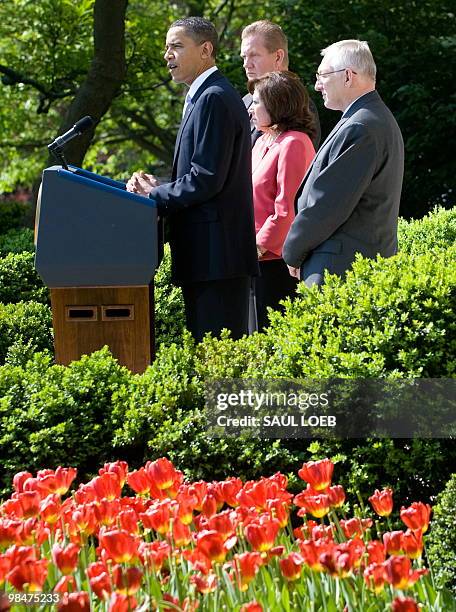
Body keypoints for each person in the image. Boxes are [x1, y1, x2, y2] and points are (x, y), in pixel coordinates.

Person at [127, 17, 258, 342]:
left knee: (220, 370)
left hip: (217, 259)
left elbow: (206, 179)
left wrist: (153, 198)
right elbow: (201, 175)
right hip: (208, 258)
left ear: (206, 50)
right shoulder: (205, 97)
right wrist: (159, 187)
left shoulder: (214, 97)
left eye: (176, 46)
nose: (167, 55)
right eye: (167, 47)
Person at [282, 39, 404, 287]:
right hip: (347, 265)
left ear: (348, 76)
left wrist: (293, 251)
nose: (317, 85)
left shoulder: (361, 126)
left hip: (341, 270)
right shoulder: (367, 118)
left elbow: (327, 204)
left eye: (322, 75)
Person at [249, 71, 316, 329]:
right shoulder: (263, 140)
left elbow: (288, 208)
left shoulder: (294, 142)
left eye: (256, 102)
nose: (251, 108)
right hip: (255, 259)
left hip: (276, 262)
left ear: (277, 103)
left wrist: (258, 246)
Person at [240, 20, 321, 150]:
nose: (246, 64)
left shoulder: (297, 105)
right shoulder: (246, 100)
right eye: (244, 57)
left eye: (254, 55)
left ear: (278, 57)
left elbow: (297, 163)